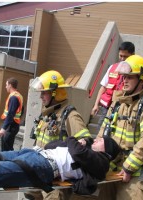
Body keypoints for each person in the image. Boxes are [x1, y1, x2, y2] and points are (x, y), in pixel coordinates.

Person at [96, 55, 143, 200]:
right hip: (113, 168)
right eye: (123, 77)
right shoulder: (118, 104)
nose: (124, 81)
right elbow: (103, 133)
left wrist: (128, 167)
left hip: (135, 172)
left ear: (142, 80)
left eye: (130, 77)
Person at [0, 136, 120, 196]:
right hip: (37, 154)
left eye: (101, 140)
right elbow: (50, 145)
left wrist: (73, 140)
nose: (96, 139)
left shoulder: (101, 162)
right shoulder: (87, 152)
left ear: (106, 149)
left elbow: (77, 152)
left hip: (43, 166)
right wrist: (72, 143)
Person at [27, 70, 91, 200]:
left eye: (44, 93)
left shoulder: (69, 115)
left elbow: (86, 143)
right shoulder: (47, 115)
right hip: (40, 174)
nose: (41, 97)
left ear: (55, 93)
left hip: (57, 181)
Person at [91, 42, 135, 131]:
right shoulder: (112, 67)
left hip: (122, 106)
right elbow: (103, 87)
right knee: (101, 128)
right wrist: (96, 105)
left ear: (132, 55)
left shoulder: (135, 72)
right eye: (120, 56)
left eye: (125, 56)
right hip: (106, 106)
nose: (122, 59)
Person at [0, 77, 24, 151]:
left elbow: (10, 114)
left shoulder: (13, 97)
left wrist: (4, 128)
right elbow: (21, 110)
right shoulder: (18, 95)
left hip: (10, 126)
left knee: (6, 149)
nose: (5, 87)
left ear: (10, 85)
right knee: (8, 148)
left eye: (6, 85)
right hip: (13, 125)